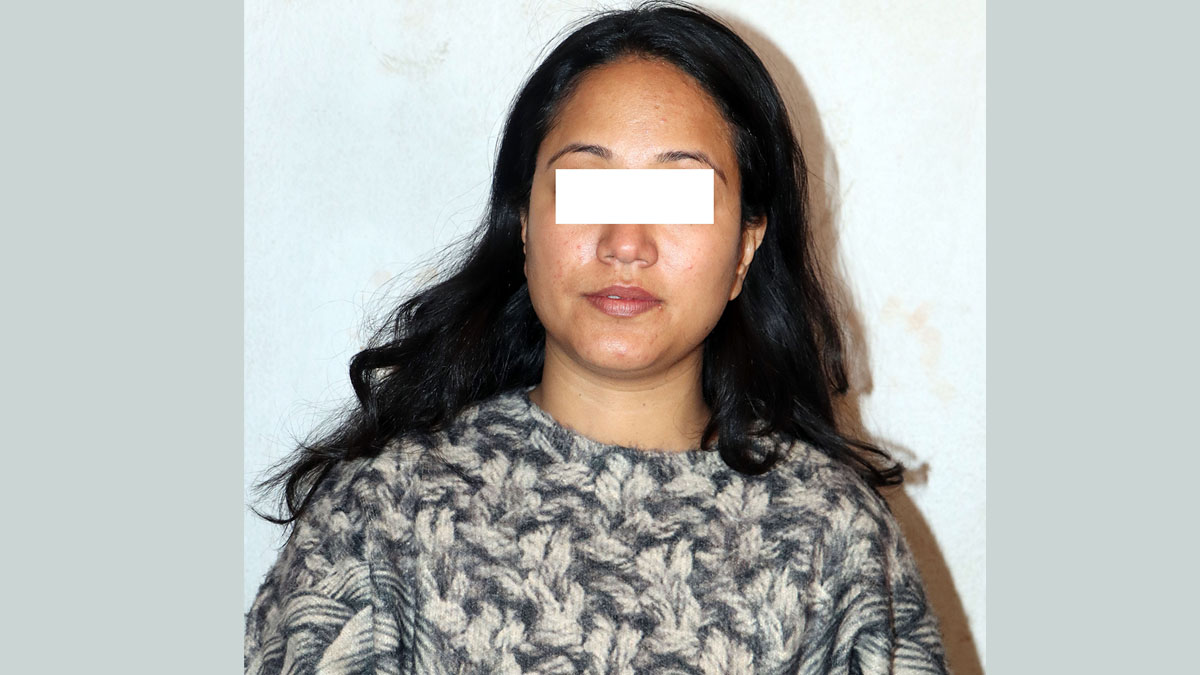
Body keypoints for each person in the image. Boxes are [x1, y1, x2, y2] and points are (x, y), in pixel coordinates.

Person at [244, 2, 949, 673]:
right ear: (525, 223)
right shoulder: (382, 516)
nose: (625, 243)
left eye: (677, 197)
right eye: (588, 187)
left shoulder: (836, 539)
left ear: (745, 248)